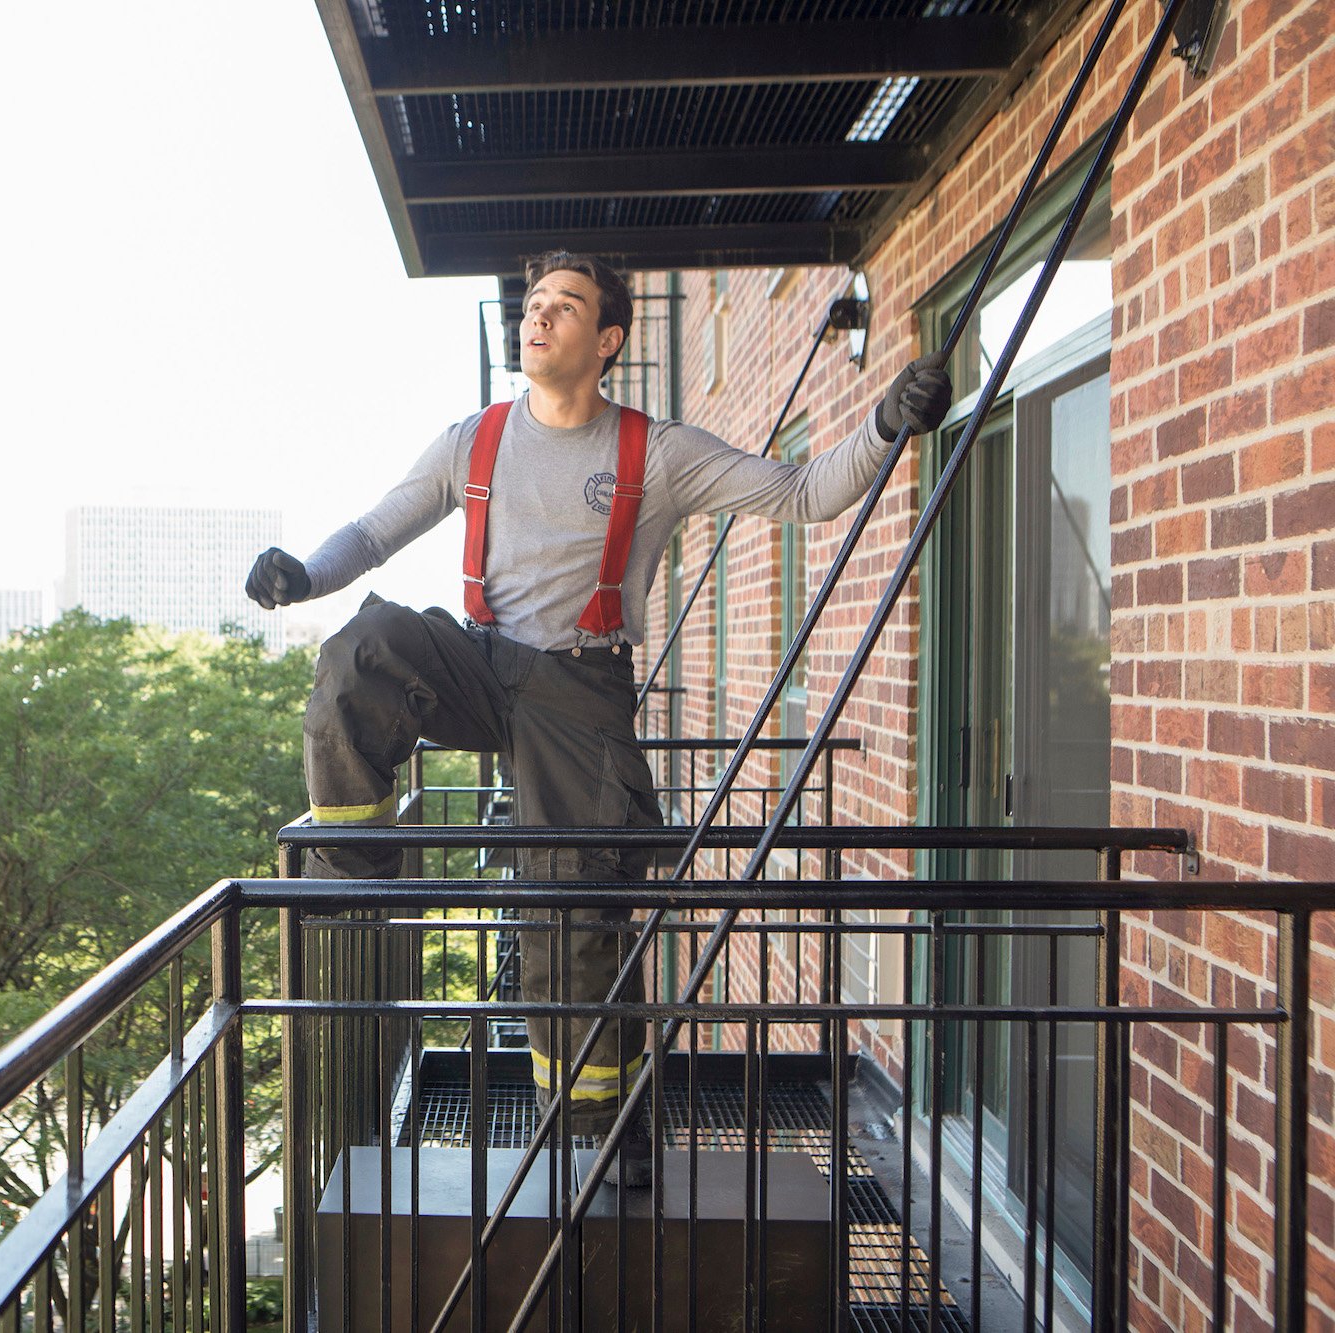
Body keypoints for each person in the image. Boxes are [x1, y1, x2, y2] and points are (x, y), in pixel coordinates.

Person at [245, 251, 949, 1183]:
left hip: (582, 693)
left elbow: (800, 492)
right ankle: (360, 875)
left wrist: (884, 422)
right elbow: (374, 533)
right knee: (360, 652)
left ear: (607, 339)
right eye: (533, 303)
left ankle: (600, 1131)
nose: (537, 318)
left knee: (570, 908)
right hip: (483, 663)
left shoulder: (656, 453)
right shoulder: (474, 440)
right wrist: (304, 575)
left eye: (563, 307)